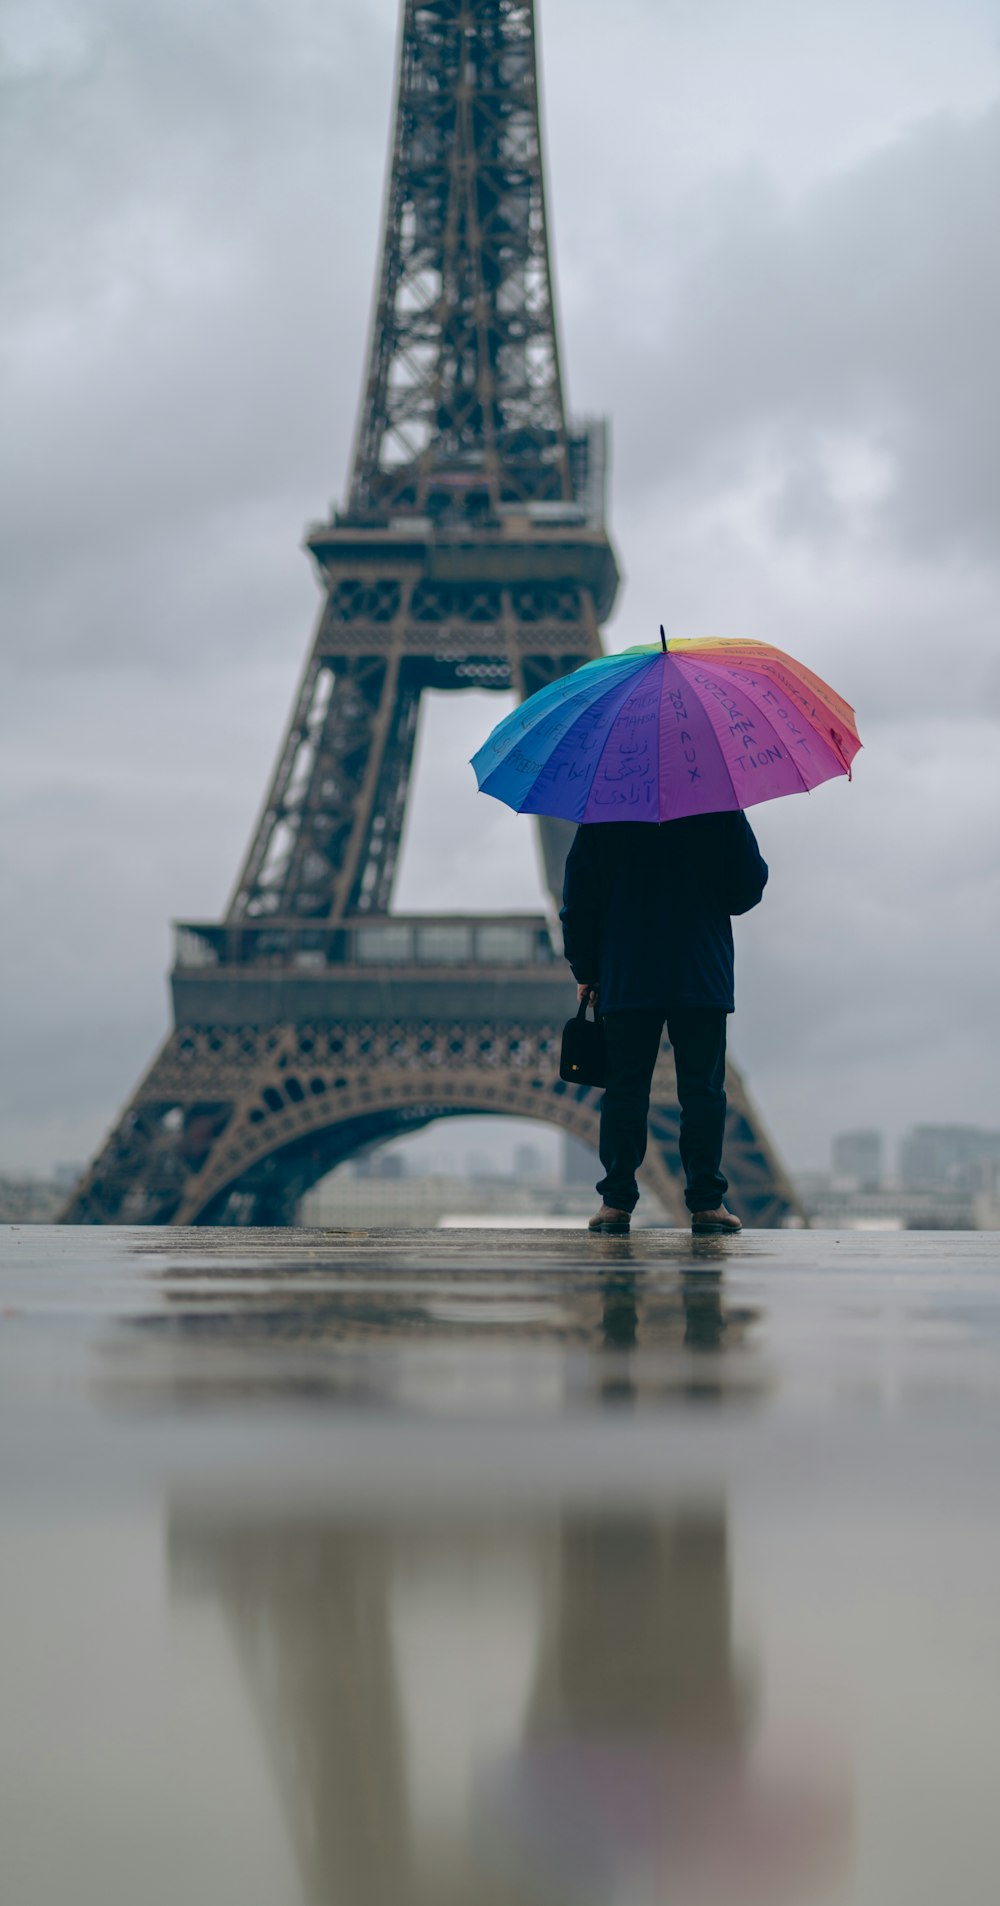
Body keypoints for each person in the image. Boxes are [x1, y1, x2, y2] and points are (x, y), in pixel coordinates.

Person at [560, 811, 768, 1235]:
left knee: (624, 1091)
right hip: (700, 969)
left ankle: (616, 1203)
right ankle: (707, 1204)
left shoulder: (604, 813)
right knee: (704, 1091)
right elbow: (746, 891)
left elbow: (579, 900)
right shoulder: (718, 807)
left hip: (628, 972)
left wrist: (587, 969)